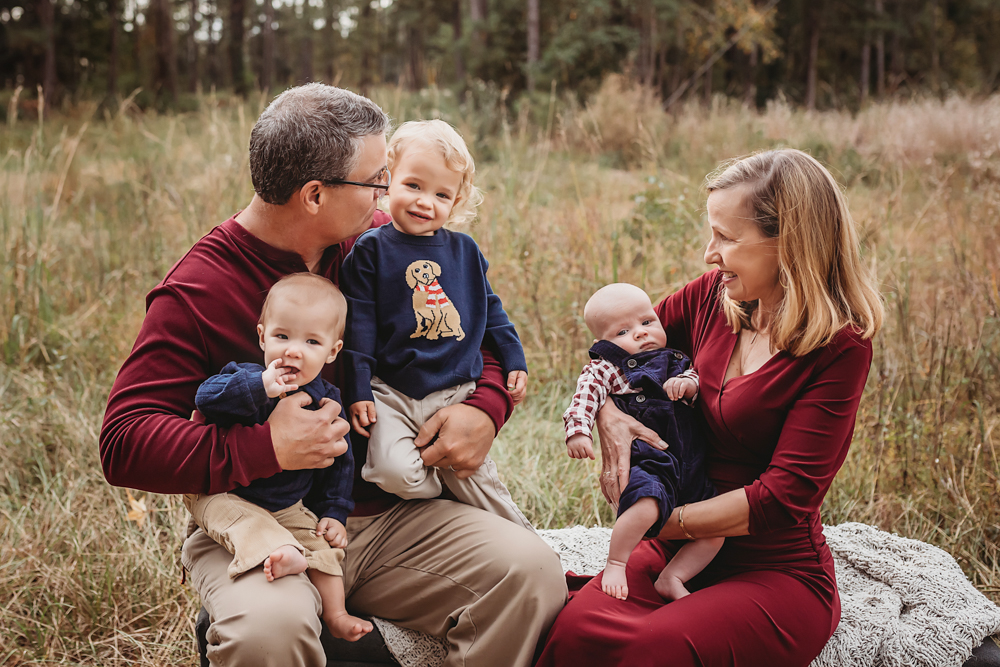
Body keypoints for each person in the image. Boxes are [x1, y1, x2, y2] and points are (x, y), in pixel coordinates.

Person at [99, 83, 566, 667]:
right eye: (378, 178)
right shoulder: (199, 289)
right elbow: (124, 442)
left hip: (390, 517)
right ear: (315, 194)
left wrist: (486, 407)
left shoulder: (380, 243)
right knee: (266, 631)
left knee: (531, 574)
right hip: (270, 519)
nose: (389, 193)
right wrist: (264, 445)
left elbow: (467, 320)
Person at [538, 148, 884, 667]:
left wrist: (660, 520)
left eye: (726, 237)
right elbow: (618, 351)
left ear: (787, 241)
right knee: (576, 632)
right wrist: (609, 417)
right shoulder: (709, 299)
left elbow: (785, 495)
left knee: (657, 651)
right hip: (676, 549)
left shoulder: (839, 348)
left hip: (772, 566)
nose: (708, 253)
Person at [341, 120, 532, 531]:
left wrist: (514, 358)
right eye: (413, 185)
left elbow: (491, 312)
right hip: (391, 393)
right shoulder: (369, 249)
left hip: (455, 390)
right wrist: (357, 388)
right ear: (387, 180)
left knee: (488, 493)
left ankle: (533, 548)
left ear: (457, 199)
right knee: (395, 472)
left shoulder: (464, 251)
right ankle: (443, 503)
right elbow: (359, 327)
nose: (425, 202)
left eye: (441, 194)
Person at [182, 273, 373, 641]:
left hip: (289, 505)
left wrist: (334, 512)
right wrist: (260, 386)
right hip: (226, 495)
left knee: (323, 547)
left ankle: (335, 612)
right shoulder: (246, 377)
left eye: (311, 341)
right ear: (262, 335)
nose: (293, 350)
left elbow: (340, 463)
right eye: (282, 336)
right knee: (243, 522)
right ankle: (282, 549)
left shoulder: (326, 400)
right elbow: (206, 397)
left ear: (332, 351)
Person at [562, 282, 722, 601]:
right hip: (650, 462)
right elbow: (584, 397)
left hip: (690, 465)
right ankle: (616, 562)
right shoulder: (606, 368)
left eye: (647, 322)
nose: (639, 333)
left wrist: (688, 385)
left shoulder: (676, 360)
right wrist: (579, 431)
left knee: (715, 530)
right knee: (645, 504)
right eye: (622, 331)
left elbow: (696, 377)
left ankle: (673, 577)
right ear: (602, 343)